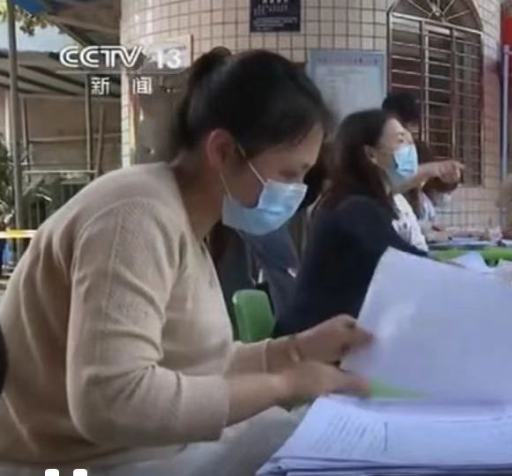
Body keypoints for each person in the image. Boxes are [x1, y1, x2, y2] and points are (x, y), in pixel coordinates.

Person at [0, 48, 373, 475]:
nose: (296, 191)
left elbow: (198, 365)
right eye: (289, 173)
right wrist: (283, 384)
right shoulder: (135, 216)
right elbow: (110, 400)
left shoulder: (183, 220)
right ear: (223, 151)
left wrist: (296, 350)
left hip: (150, 455)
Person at [276, 110, 429, 336]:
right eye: (400, 140)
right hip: (313, 343)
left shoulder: (355, 202)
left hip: (332, 335)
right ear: (371, 154)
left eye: (410, 140)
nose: (410, 148)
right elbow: (407, 264)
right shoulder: (354, 208)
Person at [381, 92, 463, 223]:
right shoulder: (377, 153)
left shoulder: (418, 149)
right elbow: (389, 183)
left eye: (409, 129)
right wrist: (433, 169)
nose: (406, 136)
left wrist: (450, 178)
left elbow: (438, 183)